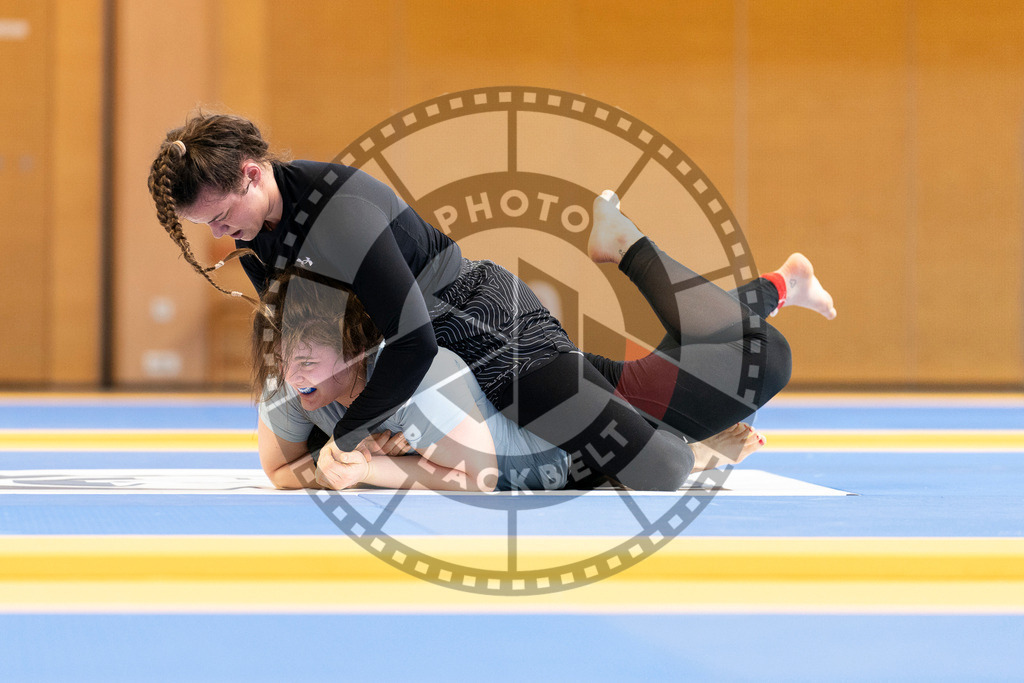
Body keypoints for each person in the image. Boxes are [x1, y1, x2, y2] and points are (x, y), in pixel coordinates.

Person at [149, 112, 835, 491]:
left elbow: (413, 341)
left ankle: (632, 264)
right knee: (762, 357)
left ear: (251, 172)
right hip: (444, 346)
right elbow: (323, 344)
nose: (221, 235)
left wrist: (353, 437)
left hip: (488, 335)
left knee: (662, 467)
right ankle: (774, 288)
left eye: (222, 215)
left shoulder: (337, 214)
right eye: (208, 226)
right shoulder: (261, 230)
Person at [253, 271, 766, 492]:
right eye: (278, 358)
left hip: (561, 448)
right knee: (649, 379)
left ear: (350, 344)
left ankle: (700, 445)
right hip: (530, 396)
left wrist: (367, 467)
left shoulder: (420, 375)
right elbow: (280, 470)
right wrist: (332, 470)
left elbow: (482, 479)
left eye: (304, 359)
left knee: (669, 459)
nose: (290, 374)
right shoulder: (291, 385)